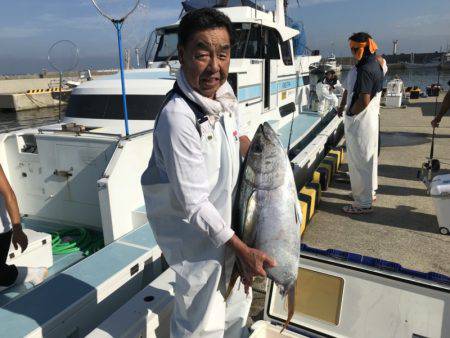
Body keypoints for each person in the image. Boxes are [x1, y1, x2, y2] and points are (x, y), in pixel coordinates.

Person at [141, 8, 275, 338]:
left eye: (223, 54)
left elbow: (237, 136)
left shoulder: (223, 95)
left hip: (231, 227)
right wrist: (243, 249)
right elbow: (193, 203)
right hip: (197, 242)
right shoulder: (178, 117)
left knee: (236, 305)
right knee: (199, 320)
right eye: (202, 54)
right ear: (183, 54)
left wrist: (269, 162)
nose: (215, 66)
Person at [337, 32, 384, 214]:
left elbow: (363, 100)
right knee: (367, 160)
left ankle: (363, 203)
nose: (352, 52)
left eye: (355, 49)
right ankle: (368, 193)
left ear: (364, 48)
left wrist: (350, 114)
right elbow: (351, 91)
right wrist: (344, 106)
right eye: (351, 48)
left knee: (359, 162)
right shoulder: (376, 63)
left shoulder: (364, 69)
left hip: (361, 120)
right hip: (370, 119)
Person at [0, 164, 48, 292]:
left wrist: (17, 229)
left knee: (1, 274)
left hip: (1, 230)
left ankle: (34, 273)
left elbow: (9, 195)